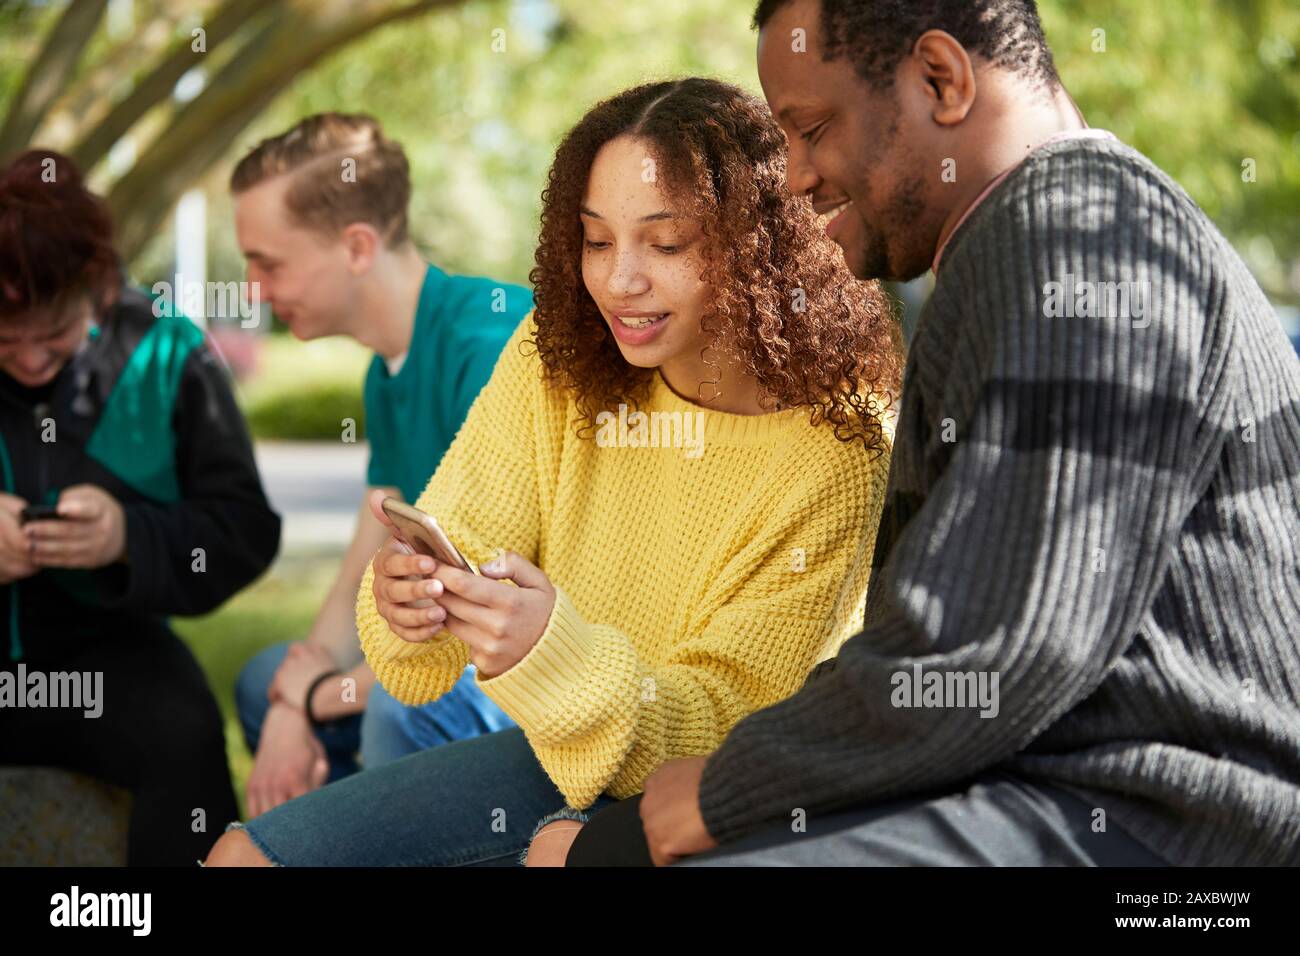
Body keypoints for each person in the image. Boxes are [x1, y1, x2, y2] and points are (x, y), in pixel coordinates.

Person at [568, 0, 1300, 867]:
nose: (794, 176)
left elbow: (1001, 651)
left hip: (1171, 836)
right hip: (1049, 790)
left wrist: (728, 791)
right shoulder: (1022, 237)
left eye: (810, 129)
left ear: (941, 81)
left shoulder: (1082, 241)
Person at [204, 76, 903, 866]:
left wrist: (550, 650)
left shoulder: (836, 448)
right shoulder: (558, 359)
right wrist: (408, 601)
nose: (618, 280)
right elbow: (453, 549)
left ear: (757, 248)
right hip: (548, 751)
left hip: (701, 795)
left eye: (665, 244)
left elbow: (725, 723)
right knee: (240, 860)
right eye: (597, 241)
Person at [227, 113, 531, 817]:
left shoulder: (485, 346)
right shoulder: (385, 372)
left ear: (357, 245)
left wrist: (313, 697)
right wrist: (293, 689)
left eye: (268, 262)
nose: (253, 290)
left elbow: (471, 629)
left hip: (516, 666)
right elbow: (372, 552)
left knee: (391, 709)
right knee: (261, 680)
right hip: (435, 658)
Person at [0, 149, 281, 865]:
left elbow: (244, 526)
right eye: (6, 343)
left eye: (53, 339)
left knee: (183, 732)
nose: (31, 363)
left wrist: (131, 537)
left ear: (96, 288)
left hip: (108, 654)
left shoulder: (167, 351)